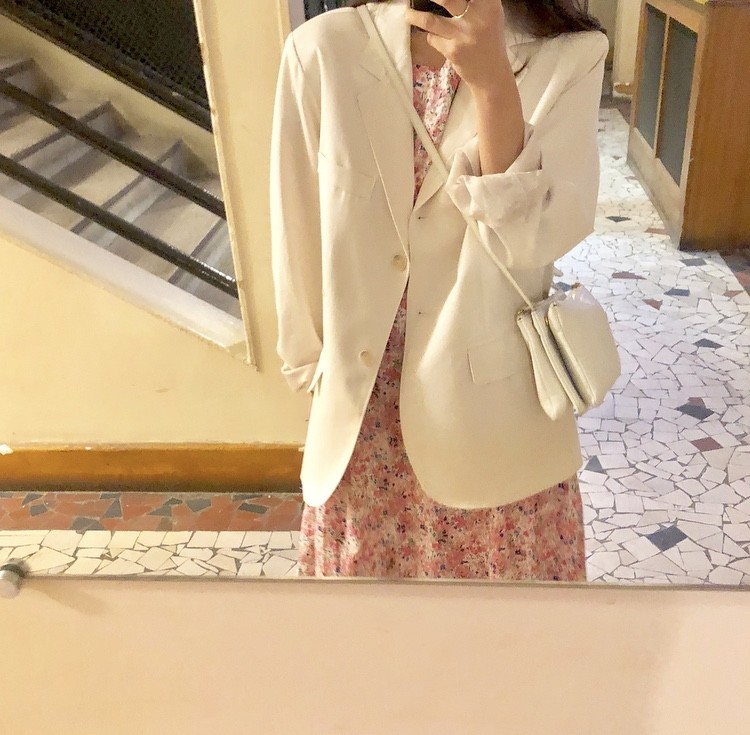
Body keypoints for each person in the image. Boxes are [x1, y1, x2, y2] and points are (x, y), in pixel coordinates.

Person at [270, 0, 608, 579]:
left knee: (505, 629)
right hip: (363, 424)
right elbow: (295, 220)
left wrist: (494, 86)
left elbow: (535, 241)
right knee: (370, 626)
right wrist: (310, 370)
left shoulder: (569, 54)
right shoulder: (323, 50)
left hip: (495, 423)